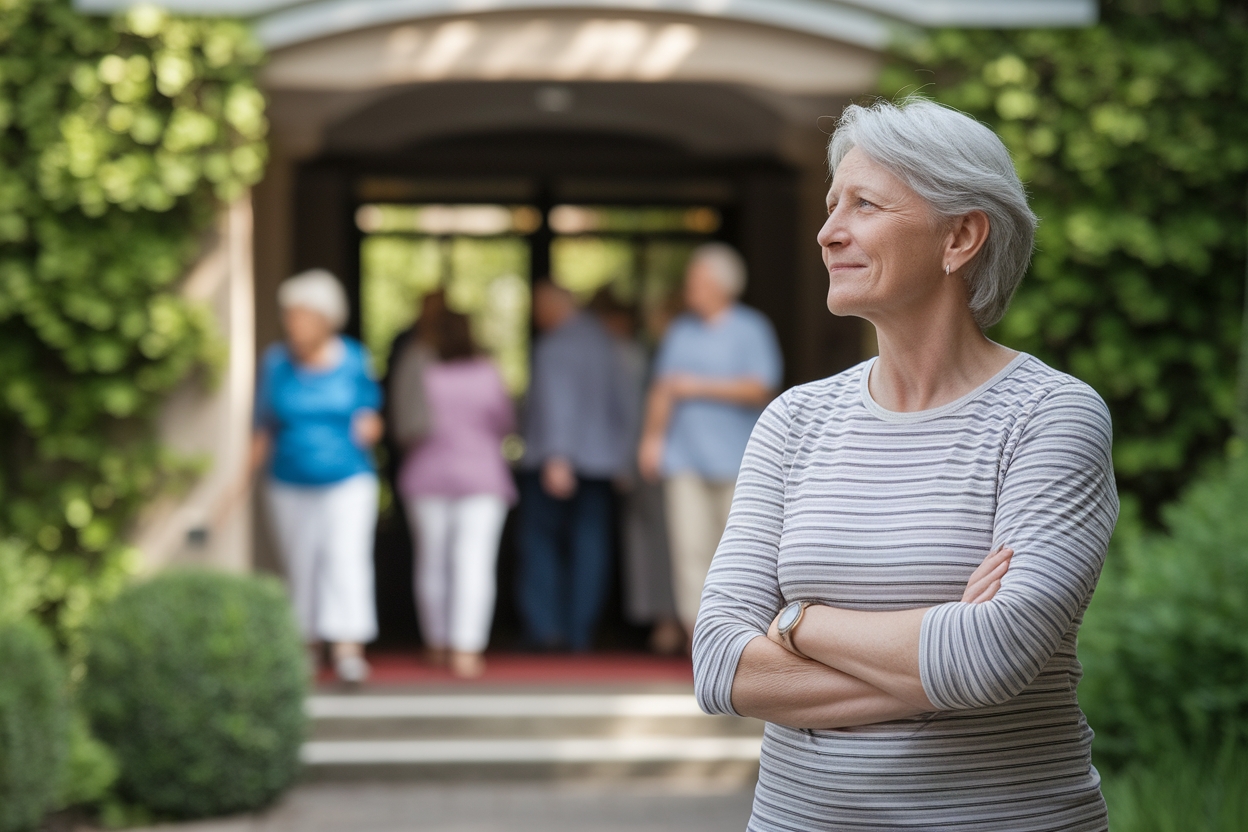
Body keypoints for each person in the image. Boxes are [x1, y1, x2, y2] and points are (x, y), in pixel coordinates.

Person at [693, 98, 1118, 831]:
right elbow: (721, 666)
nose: (828, 233)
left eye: (864, 204)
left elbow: (992, 656)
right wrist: (944, 652)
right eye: (831, 206)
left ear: (960, 236)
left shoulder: (1052, 417)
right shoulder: (793, 422)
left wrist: (795, 622)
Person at [638, 243, 783, 646]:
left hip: (739, 459)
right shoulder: (681, 331)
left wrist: (697, 386)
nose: (690, 288)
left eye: (698, 281)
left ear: (722, 286)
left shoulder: (751, 328)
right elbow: (662, 390)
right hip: (684, 457)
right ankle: (698, 637)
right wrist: (651, 440)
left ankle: (742, 637)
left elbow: (760, 388)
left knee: (739, 553)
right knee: (689, 550)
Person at [252, 269, 383, 684]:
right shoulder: (275, 363)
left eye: (303, 315)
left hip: (348, 479)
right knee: (301, 563)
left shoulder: (355, 358)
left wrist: (370, 429)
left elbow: (372, 415)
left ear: (326, 318)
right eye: (290, 316)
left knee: (345, 559)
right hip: (289, 480)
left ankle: (348, 649)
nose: (294, 324)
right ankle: (306, 647)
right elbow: (262, 427)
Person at [397, 309, 515, 679]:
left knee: (432, 562)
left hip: (427, 475)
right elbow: (505, 423)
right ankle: (467, 648)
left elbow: (403, 424)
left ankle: (438, 642)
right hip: (481, 476)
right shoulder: (488, 373)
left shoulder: (420, 370)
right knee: (474, 563)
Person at [516, 280, 631, 652]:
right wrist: (623, 457)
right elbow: (623, 403)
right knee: (591, 546)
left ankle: (547, 630)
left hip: (556, 461)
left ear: (553, 306)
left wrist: (557, 455)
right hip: (601, 462)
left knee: (541, 545)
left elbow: (557, 403)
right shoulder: (604, 342)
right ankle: (581, 631)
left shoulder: (554, 345)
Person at [591, 290, 682, 655]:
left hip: (662, 462)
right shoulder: (648, 355)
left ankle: (671, 623)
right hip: (653, 461)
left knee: (664, 544)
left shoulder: (651, 357)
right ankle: (665, 621)